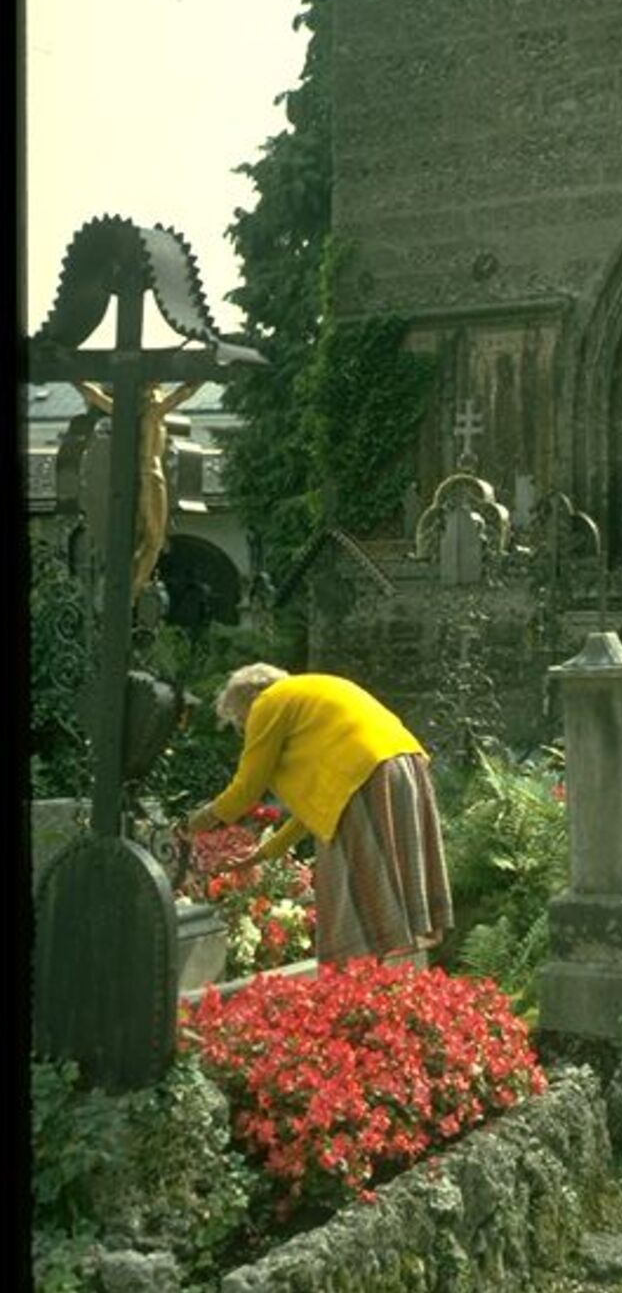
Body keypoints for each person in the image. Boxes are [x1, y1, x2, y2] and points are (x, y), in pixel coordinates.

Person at [185, 665, 453, 965]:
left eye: (239, 721)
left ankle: (354, 988)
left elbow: (247, 788)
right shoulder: (309, 699)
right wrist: (262, 854)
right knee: (385, 891)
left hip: (368, 776)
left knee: (349, 896)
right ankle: (384, 988)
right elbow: (315, 809)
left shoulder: (269, 701)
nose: (246, 729)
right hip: (403, 768)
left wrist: (199, 820)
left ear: (246, 701)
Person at [74, 378, 200, 599]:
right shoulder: (154, 412)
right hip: (152, 475)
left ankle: (131, 587)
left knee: (144, 537)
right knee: (153, 540)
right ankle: (133, 592)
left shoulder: (124, 410)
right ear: (151, 392)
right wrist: (201, 378)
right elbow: (182, 394)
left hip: (141, 474)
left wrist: (74, 379)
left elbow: (93, 395)